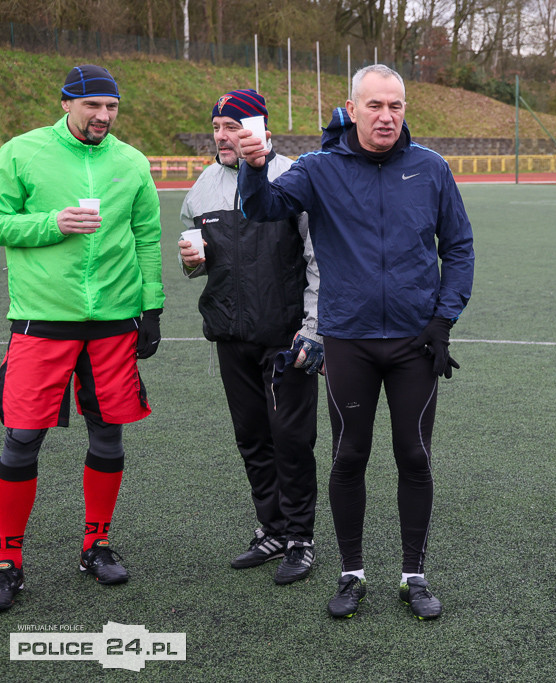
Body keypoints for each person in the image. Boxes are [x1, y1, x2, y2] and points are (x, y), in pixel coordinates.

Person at [236, 64, 474, 620]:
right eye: (375, 106)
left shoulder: (432, 168)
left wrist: (442, 322)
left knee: (415, 456)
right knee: (350, 456)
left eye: (396, 106)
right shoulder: (320, 168)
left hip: (415, 341)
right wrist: (253, 168)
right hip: (348, 340)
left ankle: (414, 575)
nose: (386, 116)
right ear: (353, 107)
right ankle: (351, 573)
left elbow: (458, 248)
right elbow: (261, 208)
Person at [0, 65, 164, 611]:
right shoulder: (22, 152)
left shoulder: (131, 161)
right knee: (22, 437)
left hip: (114, 323)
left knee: (109, 433)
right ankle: (8, 559)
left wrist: (153, 306)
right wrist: (52, 223)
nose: (103, 116)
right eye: (93, 106)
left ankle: (96, 545)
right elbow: (1, 220)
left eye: (112, 107)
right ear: (67, 104)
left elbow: (146, 235)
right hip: (41, 319)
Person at [179, 89, 323, 585]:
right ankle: (273, 528)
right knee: (253, 439)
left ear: (260, 129)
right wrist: (191, 264)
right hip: (231, 335)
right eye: (218, 126)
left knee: (292, 439)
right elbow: (197, 264)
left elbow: (318, 261)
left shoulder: (295, 178)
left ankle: (301, 537)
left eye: (235, 126)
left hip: (288, 338)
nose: (224, 136)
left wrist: (314, 329)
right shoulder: (201, 187)